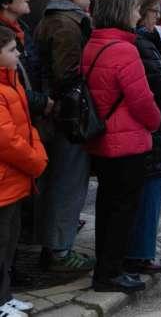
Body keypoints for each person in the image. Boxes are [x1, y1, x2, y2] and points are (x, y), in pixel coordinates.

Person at [82, 0, 161, 293]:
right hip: (126, 141)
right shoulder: (123, 49)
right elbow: (142, 101)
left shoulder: (94, 43)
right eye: (133, 9)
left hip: (103, 138)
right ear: (120, 12)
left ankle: (107, 269)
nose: (138, 14)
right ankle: (110, 273)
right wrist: (154, 123)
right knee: (122, 211)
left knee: (108, 208)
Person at [32, 0, 96, 274]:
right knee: (67, 182)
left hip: (57, 112)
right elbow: (67, 75)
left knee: (59, 181)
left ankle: (55, 245)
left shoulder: (55, 18)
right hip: (66, 116)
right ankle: (59, 250)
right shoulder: (66, 23)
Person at [127, 0, 161, 276]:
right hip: (150, 127)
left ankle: (139, 251)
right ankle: (139, 253)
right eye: (154, 11)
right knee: (147, 192)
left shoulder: (147, 39)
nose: (158, 16)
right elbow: (159, 83)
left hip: (149, 127)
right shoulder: (141, 41)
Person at [0, 25, 47, 317]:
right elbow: (6, 140)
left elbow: (25, 128)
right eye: (11, 50)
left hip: (13, 179)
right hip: (5, 180)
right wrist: (36, 160)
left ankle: (4, 296)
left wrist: (35, 155)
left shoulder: (12, 82)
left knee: (8, 245)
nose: (18, 54)